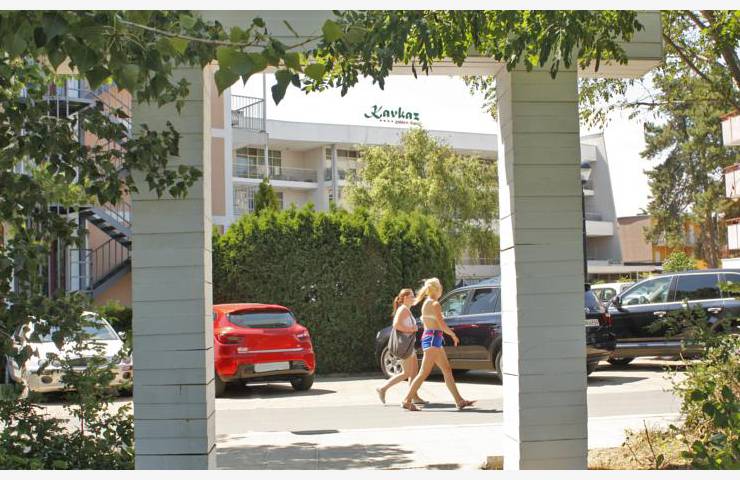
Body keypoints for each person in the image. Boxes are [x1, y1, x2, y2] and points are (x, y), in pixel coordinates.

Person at [401, 278, 475, 412]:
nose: (442, 288)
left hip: (433, 339)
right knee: (424, 372)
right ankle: (407, 400)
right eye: (440, 286)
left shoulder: (427, 303)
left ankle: (459, 400)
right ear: (437, 289)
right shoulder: (434, 304)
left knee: (446, 370)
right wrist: (453, 335)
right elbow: (442, 325)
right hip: (433, 339)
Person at [376, 288, 427, 406]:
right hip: (405, 345)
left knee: (414, 372)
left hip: (409, 345)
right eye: (412, 296)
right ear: (405, 298)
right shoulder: (403, 309)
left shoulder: (406, 310)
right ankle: (382, 388)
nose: (414, 298)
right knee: (407, 372)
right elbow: (396, 325)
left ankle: (414, 396)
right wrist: (411, 329)